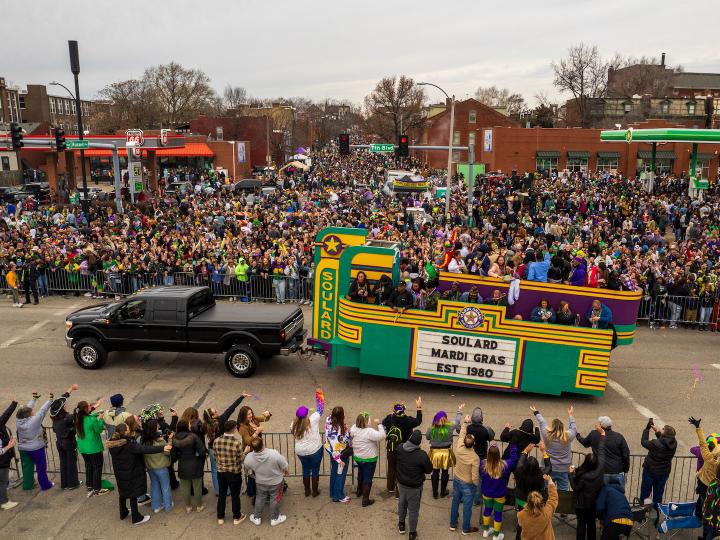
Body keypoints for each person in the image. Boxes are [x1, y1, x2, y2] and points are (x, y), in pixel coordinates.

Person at [107, 422, 171, 525]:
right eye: (128, 427)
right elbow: (144, 449)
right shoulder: (128, 445)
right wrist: (162, 448)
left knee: (122, 493)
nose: (129, 428)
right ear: (125, 431)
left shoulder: (113, 443)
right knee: (133, 494)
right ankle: (136, 518)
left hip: (120, 473)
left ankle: (123, 513)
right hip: (131, 472)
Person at [203, 393, 251, 497]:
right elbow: (231, 408)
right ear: (213, 416)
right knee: (227, 468)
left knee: (215, 470)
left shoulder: (206, 424)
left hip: (212, 449)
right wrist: (241, 397)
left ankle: (218, 491)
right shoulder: (221, 420)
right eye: (215, 411)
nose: (217, 410)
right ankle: (229, 489)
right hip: (223, 448)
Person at [570, 425, 607, 540]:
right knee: (591, 524)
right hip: (593, 504)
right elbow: (601, 451)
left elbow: (575, 487)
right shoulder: (600, 470)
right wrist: (603, 435)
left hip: (581, 505)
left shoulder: (583, 476)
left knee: (581, 526)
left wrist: (570, 474)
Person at [244, 437, 289, 527]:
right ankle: (274, 518)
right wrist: (286, 470)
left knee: (260, 498)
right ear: (263, 444)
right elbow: (284, 464)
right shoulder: (274, 453)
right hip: (276, 482)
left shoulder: (249, 457)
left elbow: (247, 468)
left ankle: (257, 518)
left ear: (252, 448)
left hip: (260, 481)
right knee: (275, 498)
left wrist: (252, 475)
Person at [396, 429, 433, 540]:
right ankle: (412, 533)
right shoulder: (421, 455)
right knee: (413, 510)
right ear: (419, 443)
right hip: (415, 487)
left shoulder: (400, 448)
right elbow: (428, 470)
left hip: (401, 484)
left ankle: (401, 524)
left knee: (401, 504)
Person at [454, 406, 495, 506]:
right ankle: (477, 499)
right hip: (481, 458)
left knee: (466, 476)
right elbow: (492, 437)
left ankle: (463, 497)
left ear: (472, 417)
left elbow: (459, 430)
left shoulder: (468, 428)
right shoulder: (486, 429)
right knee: (479, 478)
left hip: (469, 455)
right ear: (482, 418)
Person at [383, 398, 423, 498]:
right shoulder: (408, 420)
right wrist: (419, 407)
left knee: (391, 468)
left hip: (391, 449)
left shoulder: (389, 418)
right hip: (403, 450)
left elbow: (383, 423)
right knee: (400, 470)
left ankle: (390, 488)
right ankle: (398, 493)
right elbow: (419, 420)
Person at [639, 419, 677, 525]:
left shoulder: (655, 443)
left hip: (650, 472)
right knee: (658, 496)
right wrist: (657, 432)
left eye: (663, 429)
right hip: (663, 473)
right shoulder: (673, 443)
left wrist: (647, 429)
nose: (662, 429)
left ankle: (642, 514)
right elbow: (664, 442)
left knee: (645, 493)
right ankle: (656, 518)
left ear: (665, 433)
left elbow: (643, 442)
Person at [576, 416, 629, 492]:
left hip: (602, 472)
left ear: (601, 425)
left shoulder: (594, 434)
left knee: (602, 496)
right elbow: (625, 455)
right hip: (618, 471)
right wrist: (625, 469)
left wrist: (577, 435)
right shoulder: (619, 437)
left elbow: (585, 443)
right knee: (619, 495)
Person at [16, 392, 54, 491]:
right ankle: (45, 485)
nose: (33, 412)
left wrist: (34, 399)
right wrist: (50, 400)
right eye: (31, 412)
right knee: (41, 468)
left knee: (27, 468)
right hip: (36, 448)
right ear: (28, 415)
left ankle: (28, 485)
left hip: (23, 448)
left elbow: (25, 409)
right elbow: (42, 411)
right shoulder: (34, 421)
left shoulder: (19, 419)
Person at [481, 440, 519, 540]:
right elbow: (514, 459)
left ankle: (485, 531)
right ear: (499, 454)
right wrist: (513, 445)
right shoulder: (505, 466)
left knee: (487, 510)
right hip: (499, 494)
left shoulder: (483, 464)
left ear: (488, 454)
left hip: (487, 493)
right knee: (498, 513)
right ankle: (496, 535)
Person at [450, 414, 481, 535]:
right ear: (473, 444)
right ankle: (465, 528)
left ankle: (453, 524)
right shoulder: (475, 458)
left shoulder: (459, 448)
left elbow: (462, 434)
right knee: (467, 508)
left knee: (455, 502)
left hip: (457, 479)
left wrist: (465, 423)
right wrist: (476, 484)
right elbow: (474, 476)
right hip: (468, 484)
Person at [533, 405, 576, 490]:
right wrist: (571, 415)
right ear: (562, 427)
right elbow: (573, 427)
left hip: (549, 467)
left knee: (547, 490)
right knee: (563, 492)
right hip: (564, 468)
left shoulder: (547, 435)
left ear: (552, 427)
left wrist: (536, 412)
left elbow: (542, 422)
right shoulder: (568, 436)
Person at [292, 389, 325, 497]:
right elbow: (320, 408)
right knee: (315, 470)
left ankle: (307, 491)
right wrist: (319, 395)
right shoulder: (313, 419)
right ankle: (314, 491)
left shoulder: (293, 425)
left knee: (305, 469)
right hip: (315, 450)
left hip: (301, 452)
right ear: (306, 415)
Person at [212, 420, 246, 525]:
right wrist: (246, 452)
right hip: (234, 472)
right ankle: (236, 516)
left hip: (221, 472)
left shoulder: (216, 441)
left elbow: (215, 456)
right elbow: (241, 459)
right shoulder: (236, 443)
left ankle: (220, 516)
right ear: (234, 429)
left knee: (222, 494)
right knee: (235, 495)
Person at [237, 404, 272, 504]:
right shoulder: (242, 427)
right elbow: (248, 441)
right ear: (243, 415)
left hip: (258, 449)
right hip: (251, 452)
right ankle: (253, 494)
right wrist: (257, 432)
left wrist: (268, 414)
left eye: (251, 413)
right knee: (253, 474)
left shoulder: (254, 419)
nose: (250, 415)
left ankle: (257, 493)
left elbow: (265, 418)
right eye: (248, 414)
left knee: (259, 472)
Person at [350, 412, 385, 506]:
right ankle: (365, 500)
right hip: (369, 459)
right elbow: (382, 436)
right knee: (368, 478)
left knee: (361, 473)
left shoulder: (354, 428)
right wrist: (379, 424)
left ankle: (359, 491)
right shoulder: (369, 431)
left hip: (358, 457)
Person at [50, 384, 81, 490]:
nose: (65, 405)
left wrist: (71, 389)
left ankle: (65, 484)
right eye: (64, 405)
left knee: (63, 462)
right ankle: (73, 483)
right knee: (71, 462)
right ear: (62, 409)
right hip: (68, 442)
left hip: (59, 442)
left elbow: (61, 399)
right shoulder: (68, 417)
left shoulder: (54, 416)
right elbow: (79, 417)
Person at [513, 441, 552, 527]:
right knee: (535, 519)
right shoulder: (541, 474)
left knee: (522, 519)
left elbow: (520, 462)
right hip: (536, 501)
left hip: (521, 499)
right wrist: (543, 451)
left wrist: (525, 451)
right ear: (537, 467)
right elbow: (549, 467)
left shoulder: (519, 471)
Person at [172, 419, 206, 513]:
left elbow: (173, 456)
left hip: (183, 465)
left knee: (185, 487)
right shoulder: (194, 437)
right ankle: (199, 506)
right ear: (187, 427)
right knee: (197, 486)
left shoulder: (174, 439)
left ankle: (188, 507)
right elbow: (202, 451)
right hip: (195, 464)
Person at [75, 398, 108, 497]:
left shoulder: (77, 418)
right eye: (89, 406)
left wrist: (95, 412)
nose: (90, 406)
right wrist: (101, 419)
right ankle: (97, 489)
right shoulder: (92, 419)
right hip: (93, 448)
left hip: (83, 448)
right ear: (85, 409)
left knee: (89, 466)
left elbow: (88, 417)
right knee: (97, 467)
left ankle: (89, 485)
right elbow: (98, 430)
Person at [140, 418, 174, 514]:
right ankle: (168, 506)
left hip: (150, 468)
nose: (159, 428)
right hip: (161, 467)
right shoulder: (161, 442)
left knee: (154, 486)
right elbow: (167, 452)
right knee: (165, 486)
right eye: (158, 427)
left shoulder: (144, 441)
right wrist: (170, 440)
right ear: (155, 428)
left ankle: (156, 506)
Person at [689, 417, 720, 520]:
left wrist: (698, 427)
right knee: (708, 504)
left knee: (703, 500)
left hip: (703, 484)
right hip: (714, 488)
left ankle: (700, 516)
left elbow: (702, 443)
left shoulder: (709, 457)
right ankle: (703, 517)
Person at [426, 408, 458, 499]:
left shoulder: (431, 428)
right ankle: (443, 492)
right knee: (445, 472)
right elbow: (457, 421)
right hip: (446, 452)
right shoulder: (450, 426)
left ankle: (435, 493)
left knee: (435, 472)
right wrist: (459, 411)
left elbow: (428, 437)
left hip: (435, 453)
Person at [517, 475, 558, 540]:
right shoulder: (546, 513)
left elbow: (520, 524)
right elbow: (553, 498)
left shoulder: (521, 515)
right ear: (541, 502)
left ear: (528, 502)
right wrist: (550, 481)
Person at [324, 406, 352, 503]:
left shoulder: (328, 419)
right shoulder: (338, 430)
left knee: (334, 472)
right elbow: (335, 446)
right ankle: (338, 496)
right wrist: (339, 460)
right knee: (340, 474)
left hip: (332, 452)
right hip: (340, 455)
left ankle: (333, 492)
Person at [0, 398, 18, 510]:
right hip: (2, 462)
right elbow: (5, 416)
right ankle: (4, 502)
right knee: (2, 482)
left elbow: (4, 416)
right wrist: (9, 446)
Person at [702, 464, 720, 540]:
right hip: (716, 523)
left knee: (709, 534)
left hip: (709, 518)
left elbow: (708, 500)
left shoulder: (714, 482)